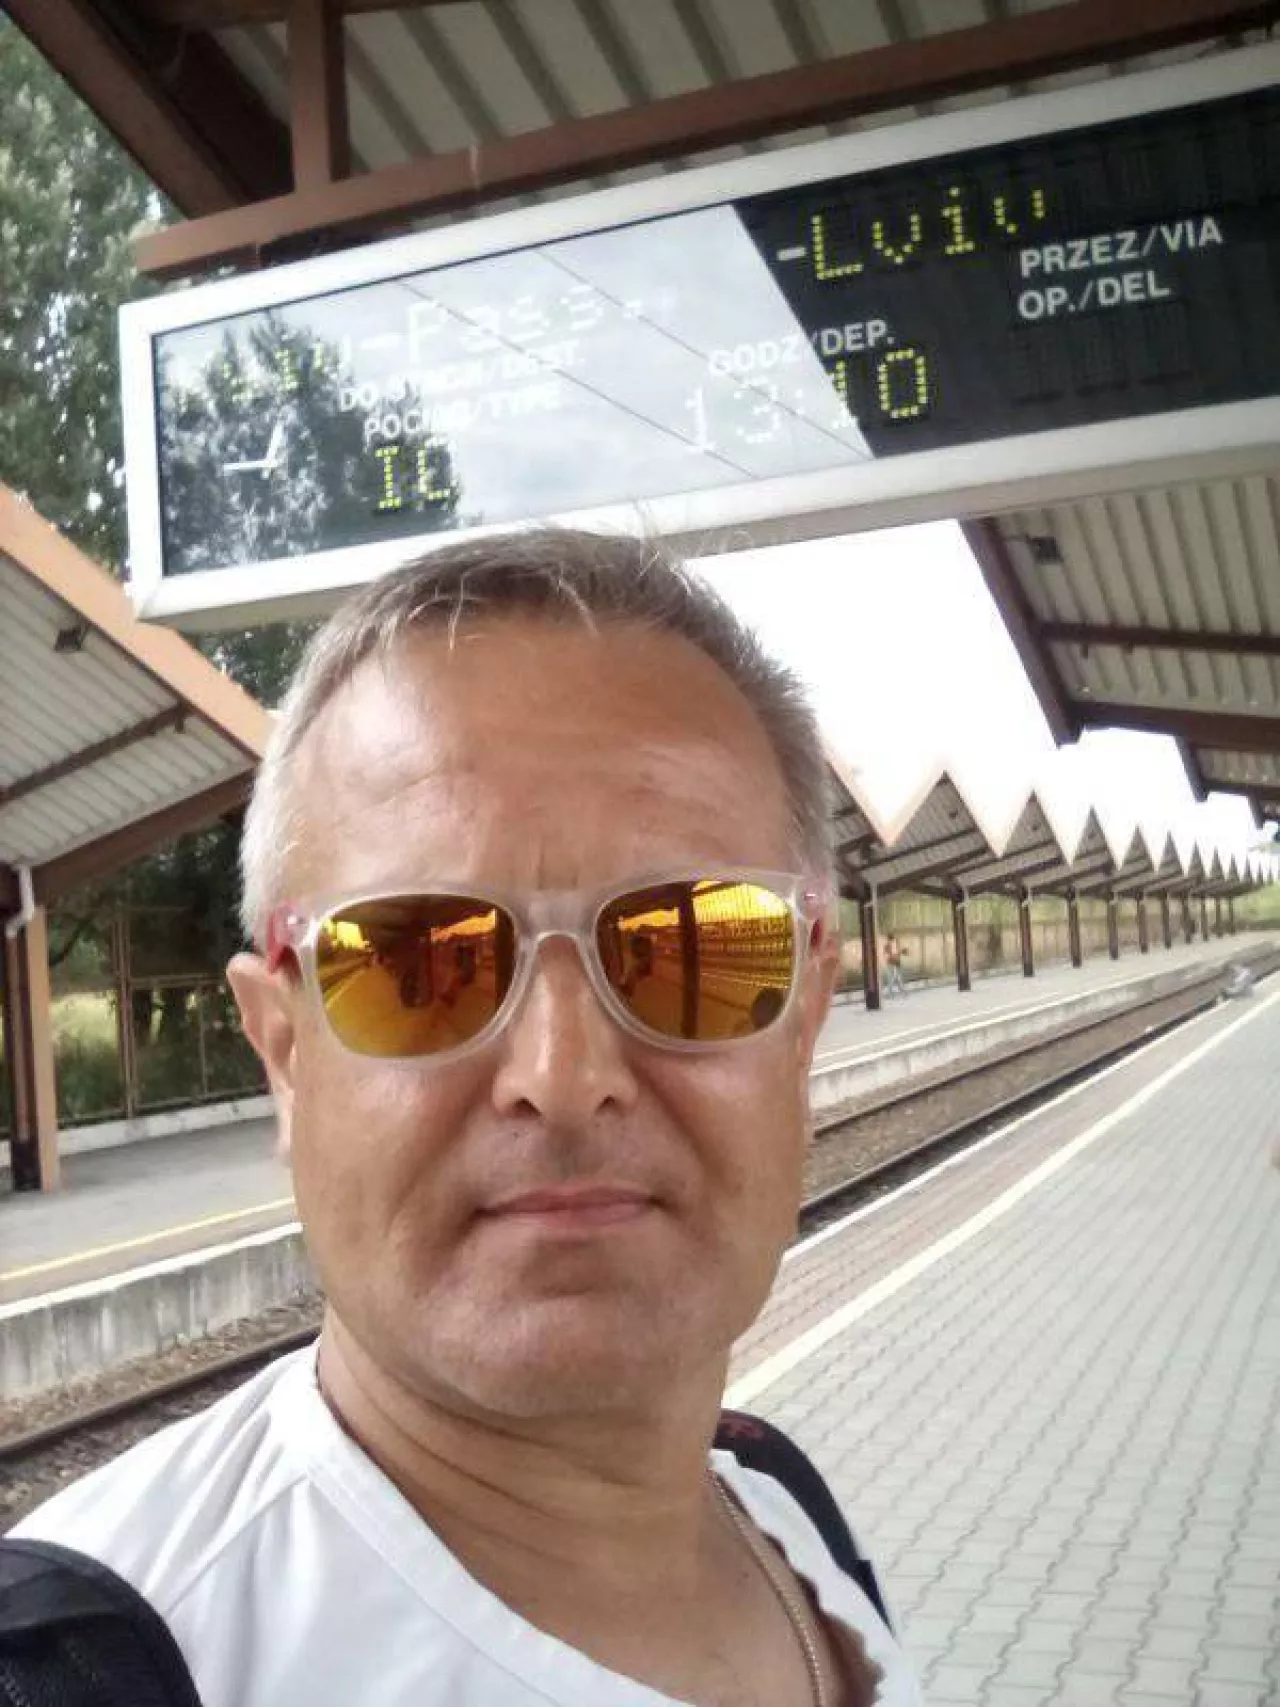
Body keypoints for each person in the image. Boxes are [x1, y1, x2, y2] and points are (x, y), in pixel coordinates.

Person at [9, 530, 920, 1706]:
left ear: (803, 1023)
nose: (562, 1073)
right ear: (284, 1053)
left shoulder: (786, 1514)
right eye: (418, 964)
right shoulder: (84, 1668)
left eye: (694, 946)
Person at [883, 932, 907, 997]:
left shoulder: (893, 944)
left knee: (895, 977)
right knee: (895, 977)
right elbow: (888, 954)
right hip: (892, 962)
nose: (891, 941)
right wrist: (897, 954)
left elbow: (898, 952)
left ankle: (896, 992)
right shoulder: (890, 945)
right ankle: (900, 991)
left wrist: (900, 953)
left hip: (894, 962)